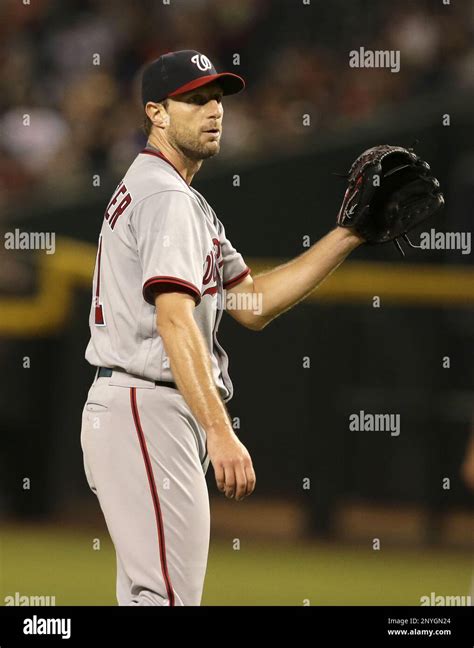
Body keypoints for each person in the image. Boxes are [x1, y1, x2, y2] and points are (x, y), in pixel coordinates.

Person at [80, 49, 364, 606]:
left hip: (142, 408)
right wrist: (220, 429)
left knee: (152, 598)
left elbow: (252, 303)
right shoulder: (166, 198)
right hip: (147, 405)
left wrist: (349, 233)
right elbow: (174, 319)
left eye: (217, 98)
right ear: (156, 113)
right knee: (167, 600)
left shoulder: (181, 198)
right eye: (194, 99)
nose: (213, 110)